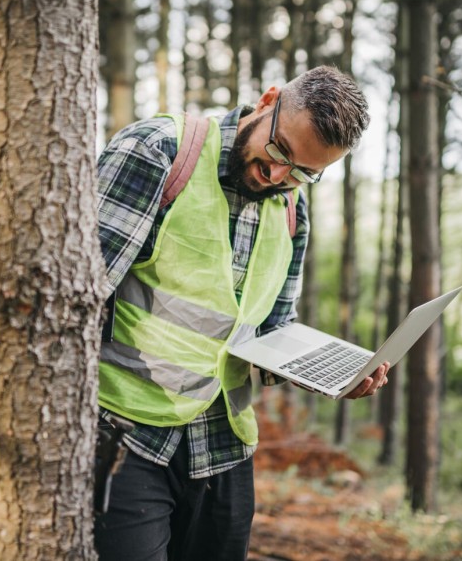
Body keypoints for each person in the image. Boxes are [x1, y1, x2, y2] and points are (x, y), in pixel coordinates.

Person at [93, 65, 389, 561]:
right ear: (268, 100)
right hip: (127, 438)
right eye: (279, 152)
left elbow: (273, 326)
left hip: (222, 447)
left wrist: (331, 370)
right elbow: (80, 297)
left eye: (302, 173)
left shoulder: (293, 208)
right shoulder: (157, 152)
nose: (277, 177)